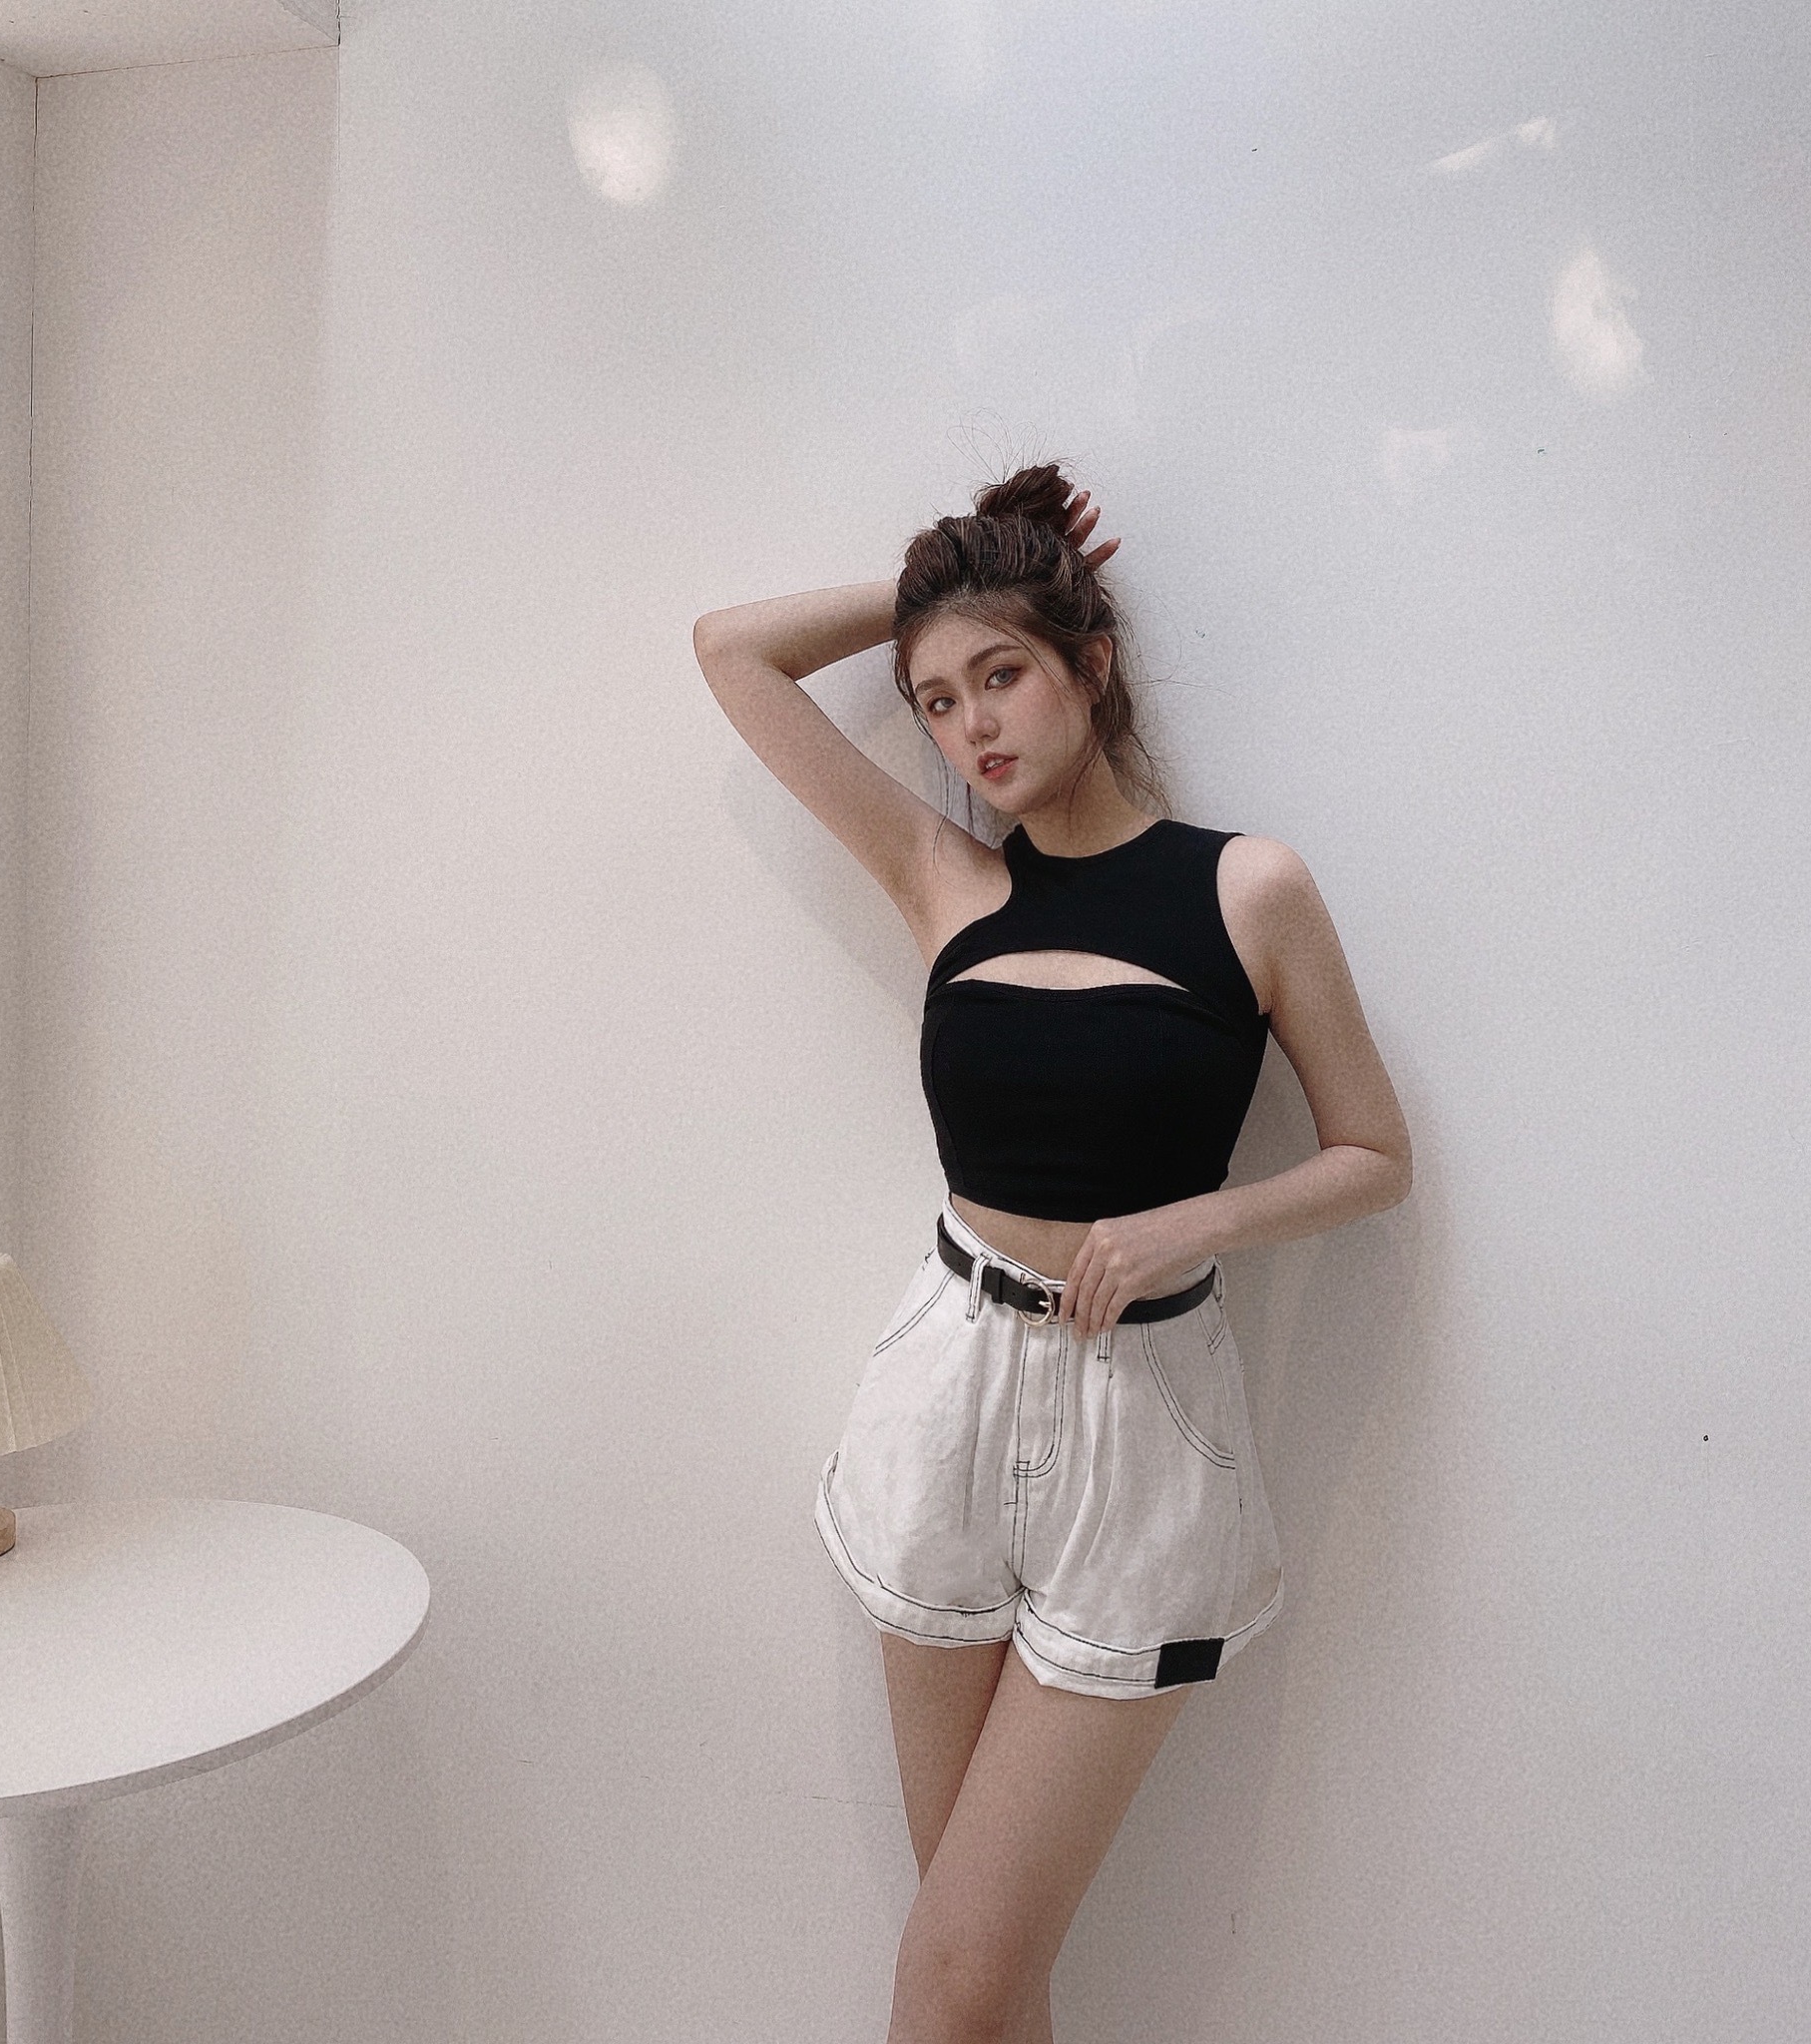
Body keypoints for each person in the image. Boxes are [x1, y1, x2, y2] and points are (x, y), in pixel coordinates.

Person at [691, 464, 1411, 2044]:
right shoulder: (943, 877)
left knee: (956, 1979)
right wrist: (942, 588)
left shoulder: (1249, 889)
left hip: (1143, 1428)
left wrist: (1199, 1220)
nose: (970, 729)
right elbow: (730, 651)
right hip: (948, 1396)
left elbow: (1374, 1154)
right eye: (936, 702)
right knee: (981, 1980)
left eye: (1001, 673)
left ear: (1091, 662)